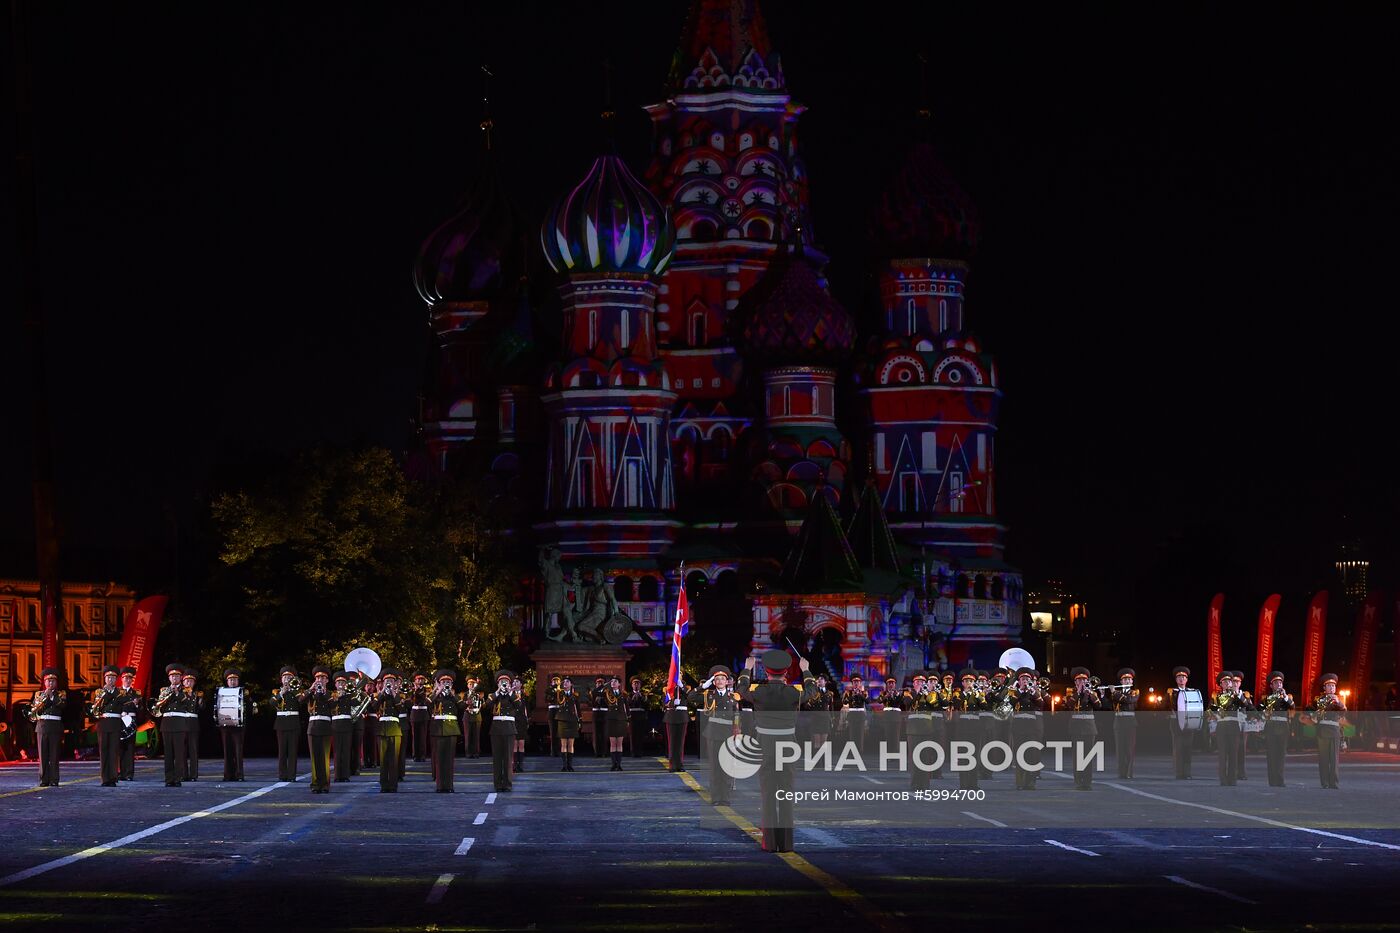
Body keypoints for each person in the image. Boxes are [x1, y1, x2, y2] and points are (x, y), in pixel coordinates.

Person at [737, 649, 819, 853]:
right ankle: (786, 844)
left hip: (765, 745)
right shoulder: (793, 693)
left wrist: (747, 669)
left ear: (766, 672)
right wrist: (806, 670)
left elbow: (741, 688)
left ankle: (770, 843)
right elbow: (812, 691)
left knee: (768, 795)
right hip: (787, 746)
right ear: (786, 673)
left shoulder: (760, 692)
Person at [703, 666, 740, 804]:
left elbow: (736, 716)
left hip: (727, 733)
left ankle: (725, 798)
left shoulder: (733, 697)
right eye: (717, 679)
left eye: (722, 679)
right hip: (713, 733)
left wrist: (737, 731)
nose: (719, 681)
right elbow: (691, 697)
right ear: (713, 682)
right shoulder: (709, 695)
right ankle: (716, 798)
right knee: (715, 767)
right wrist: (704, 685)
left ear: (727, 682)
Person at [483, 670, 525, 792]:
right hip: (496, 729)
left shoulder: (513, 696)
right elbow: (487, 705)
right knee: (497, 758)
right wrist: (497, 692)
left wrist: (510, 692)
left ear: (510, 683)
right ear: (498, 684)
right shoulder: (493, 695)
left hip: (509, 728)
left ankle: (507, 784)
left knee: (508, 758)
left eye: (506, 681)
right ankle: (497, 784)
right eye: (502, 682)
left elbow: (519, 705)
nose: (504, 683)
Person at [217, 668, 256, 781]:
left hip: (238, 726)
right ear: (227, 681)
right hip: (225, 725)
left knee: (238, 751)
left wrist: (250, 702)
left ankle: (239, 775)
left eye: (235, 679)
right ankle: (228, 775)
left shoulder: (243, 692)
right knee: (227, 751)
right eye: (230, 680)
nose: (233, 682)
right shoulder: (222, 692)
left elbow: (250, 708)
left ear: (238, 681)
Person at [1009, 667, 1045, 790]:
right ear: (1019, 681)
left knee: (1032, 754)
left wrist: (1033, 691)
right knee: (1020, 754)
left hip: (1032, 727)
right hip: (1018, 726)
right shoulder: (1014, 691)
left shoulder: (1034, 691)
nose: (1025, 681)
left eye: (1027, 679)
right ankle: (1020, 782)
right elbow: (1010, 703)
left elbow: (1041, 704)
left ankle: (1030, 782)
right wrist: (1020, 690)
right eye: (1023, 679)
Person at [371, 669, 407, 792]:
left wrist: (393, 693)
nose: (389, 683)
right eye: (387, 681)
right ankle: (384, 785)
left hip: (395, 729)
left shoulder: (400, 695)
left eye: (391, 681)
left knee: (393, 759)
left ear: (395, 683)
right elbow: (373, 707)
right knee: (383, 760)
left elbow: (401, 709)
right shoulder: (378, 696)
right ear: (383, 682)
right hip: (382, 728)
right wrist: (381, 694)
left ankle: (392, 785)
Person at [429, 669, 464, 793]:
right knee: (439, 759)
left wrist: (452, 695)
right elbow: (427, 704)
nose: (446, 684)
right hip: (438, 729)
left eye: (448, 682)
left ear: (452, 684)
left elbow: (462, 706)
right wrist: (437, 691)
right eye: (443, 682)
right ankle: (440, 786)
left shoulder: (454, 696)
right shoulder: (435, 695)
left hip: (451, 729)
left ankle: (449, 786)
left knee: (449, 760)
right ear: (439, 683)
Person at [1067, 667, 1102, 790]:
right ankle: (1078, 780)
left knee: (1088, 756)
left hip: (1089, 728)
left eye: (1084, 680)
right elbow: (1069, 704)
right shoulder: (1070, 692)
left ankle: (1087, 782)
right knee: (1078, 755)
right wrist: (1078, 692)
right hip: (1076, 728)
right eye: (1079, 680)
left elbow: (1098, 706)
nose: (1082, 682)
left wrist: (1089, 694)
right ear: (1075, 682)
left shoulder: (1092, 693)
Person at [90, 664, 124, 786]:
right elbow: (95, 708)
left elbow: (123, 703)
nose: (110, 680)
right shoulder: (99, 692)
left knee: (114, 751)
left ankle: (113, 778)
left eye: (113, 678)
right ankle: (105, 779)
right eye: (108, 678)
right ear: (105, 679)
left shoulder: (120, 692)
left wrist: (110, 693)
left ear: (116, 679)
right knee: (103, 751)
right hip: (103, 723)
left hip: (115, 723)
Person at [1310, 673, 1346, 789]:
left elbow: (1343, 713)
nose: (1332, 688)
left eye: (1333, 686)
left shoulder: (1339, 701)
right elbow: (1313, 715)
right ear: (1324, 688)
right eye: (1329, 686)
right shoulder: (1319, 700)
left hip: (1335, 730)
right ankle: (1324, 782)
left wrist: (1338, 703)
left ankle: (1334, 782)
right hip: (1323, 730)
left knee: (1334, 758)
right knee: (1324, 758)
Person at [32, 668, 66, 787]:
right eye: (48, 681)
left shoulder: (61, 694)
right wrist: (45, 697)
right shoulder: (39, 694)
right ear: (44, 682)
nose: (50, 683)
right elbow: (37, 709)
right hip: (42, 726)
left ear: (56, 682)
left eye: (53, 681)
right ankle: (44, 779)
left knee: (54, 755)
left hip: (55, 726)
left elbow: (62, 706)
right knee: (43, 755)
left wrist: (51, 697)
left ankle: (54, 779)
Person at [303, 665, 335, 793]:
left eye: (322, 678)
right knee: (314, 758)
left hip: (325, 726)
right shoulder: (311, 693)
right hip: (313, 727)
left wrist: (324, 693)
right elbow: (300, 700)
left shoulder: (331, 694)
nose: (320, 680)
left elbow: (333, 705)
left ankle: (325, 785)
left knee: (324, 758)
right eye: (317, 678)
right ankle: (316, 784)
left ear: (327, 680)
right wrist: (311, 689)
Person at [1209, 669, 1243, 786]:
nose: (1228, 683)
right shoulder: (1216, 697)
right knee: (1222, 754)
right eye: (1225, 682)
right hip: (1222, 725)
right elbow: (1209, 711)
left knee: (1233, 754)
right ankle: (1223, 779)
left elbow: (1247, 706)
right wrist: (1216, 713)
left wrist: (1238, 695)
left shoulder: (1236, 696)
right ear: (1221, 684)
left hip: (1234, 725)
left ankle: (1232, 779)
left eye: (1229, 681)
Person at [1261, 671, 1295, 787]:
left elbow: (1292, 706)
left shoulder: (1287, 697)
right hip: (1271, 726)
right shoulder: (1267, 698)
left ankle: (1280, 780)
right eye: (1276, 683)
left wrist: (1284, 696)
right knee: (1271, 754)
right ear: (1271, 685)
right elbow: (1261, 710)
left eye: (1280, 683)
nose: (1279, 685)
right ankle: (1272, 780)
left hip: (1283, 726)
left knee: (1281, 754)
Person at [270, 665, 303, 782]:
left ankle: (292, 776)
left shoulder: (297, 691)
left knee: (293, 751)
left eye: (289, 677)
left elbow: (301, 701)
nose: (287, 679)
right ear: (281, 679)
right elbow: (272, 703)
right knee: (282, 751)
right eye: (285, 677)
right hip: (281, 723)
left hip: (293, 723)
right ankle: (282, 775)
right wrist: (281, 694)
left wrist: (292, 690)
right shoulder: (276, 692)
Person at [905, 672, 937, 791]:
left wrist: (927, 693)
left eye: (923, 682)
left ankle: (925, 784)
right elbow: (907, 703)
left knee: (925, 758)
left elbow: (934, 705)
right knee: (914, 758)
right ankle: (915, 784)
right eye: (918, 682)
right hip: (913, 729)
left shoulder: (930, 694)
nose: (920, 683)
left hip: (926, 729)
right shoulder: (909, 693)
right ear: (913, 683)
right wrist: (917, 692)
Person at [953, 669, 983, 790]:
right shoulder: (958, 694)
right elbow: (955, 705)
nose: (969, 683)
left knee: (974, 755)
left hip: (975, 727)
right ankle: (964, 784)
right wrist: (965, 694)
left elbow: (985, 706)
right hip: (963, 727)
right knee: (963, 755)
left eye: (971, 681)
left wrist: (977, 695)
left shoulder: (979, 695)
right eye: (966, 681)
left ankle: (973, 783)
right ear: (963, 683)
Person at [1166, 666, 1195, 779]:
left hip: (1189, 723)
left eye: (1183, 677)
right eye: (1179, 677)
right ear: (1176, 679)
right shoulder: (1171, 692)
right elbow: (1164, 706)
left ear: (1186, 679)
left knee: (1188, 748)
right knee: (1178, 748)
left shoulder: (1192, 692)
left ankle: (1187, 773)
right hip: (1176, 723)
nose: (1181, 679)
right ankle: (1179, 773)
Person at [1110, 667, 1139, 779]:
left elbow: (1128, 700)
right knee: (1120, 748)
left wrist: (1114, 692)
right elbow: (1108, 705)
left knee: (1129, 748)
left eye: (1129, 679)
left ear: (1132, 681)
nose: (1127, 681)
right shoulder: (1116, 693)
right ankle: (1121, 772)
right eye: (1125, 679)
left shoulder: (1135, 692)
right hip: (1119, 722)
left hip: (1130, 722)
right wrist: (1102, 695)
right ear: (1121, 681)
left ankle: (1129, 773)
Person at [116, 666, 142, 781]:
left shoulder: (136, 693)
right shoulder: (117, 692)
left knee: (130, 748)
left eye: (129, 678)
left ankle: (129, 774)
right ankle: (120, 772)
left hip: (131, 721)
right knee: (120, 748)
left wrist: (136, 704)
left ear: (132, 680)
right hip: (120, 721)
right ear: (121, 679)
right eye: (125, 678)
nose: (127, 680)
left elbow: (141, 710)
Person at [553, 677, 584, 771]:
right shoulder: (559, 694)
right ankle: (564, 765)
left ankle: (570, 765)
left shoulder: (575, 696)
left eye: (568, 682)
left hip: (572, 720)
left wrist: (580, 720)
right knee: (563, 744)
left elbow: (578, 709)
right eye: (564, 682)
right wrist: (557, 688)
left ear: (571, 684)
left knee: (570, 744)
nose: (565, 683)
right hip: (562, 720)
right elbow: (556, 700)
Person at [663, 678, 692, 772]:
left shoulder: (686, 688)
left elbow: (689, 696)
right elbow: (664, 702)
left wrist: (681, 685)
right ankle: (672, 765)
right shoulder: (667, 688)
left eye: (680, 674)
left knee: (680, 743)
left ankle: (679, 764)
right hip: (671, 716)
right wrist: (672, 703)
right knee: (672, 742)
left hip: (682, 716)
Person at [331, 671, 356, 783]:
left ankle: (345, 775)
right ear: (335, 685)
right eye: (339, 682)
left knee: (346, 751)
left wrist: (348, 693)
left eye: (343, 682)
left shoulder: (349, 695)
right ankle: (337, 775)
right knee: (337, 751)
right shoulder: (332, 695)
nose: (341, 684)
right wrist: (338, 697)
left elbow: (356, 702)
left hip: (346, 724)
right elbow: (330, 706)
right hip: (336, 725)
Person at [181, 670, 205, 781]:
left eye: (191, 681)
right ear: (183, 682)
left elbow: (202, 708)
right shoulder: (179, 694)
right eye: (187, 681)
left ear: (194, 683)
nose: (189, 683)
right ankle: (183, 774)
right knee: (182, 750)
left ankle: (193, 775)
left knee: (193, 750)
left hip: (193, 724)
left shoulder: (198, 694)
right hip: (181, 723)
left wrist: (201, 702)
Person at [840, 675, 869, 755]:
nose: (856, 683)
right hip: (852, 714)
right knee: (852, 735)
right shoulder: (848, 692)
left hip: (860, 715)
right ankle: (853, 753)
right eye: (854, 682)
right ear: (852, 683)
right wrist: (852, 696)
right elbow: (844, 702)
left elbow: (867, 701)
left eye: (858, 682)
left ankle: (860, 752)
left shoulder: (864, 692)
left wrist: (860, 694)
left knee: (860, 735)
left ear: (860, 683)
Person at [409, 672, 431, 763]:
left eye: (422, 679)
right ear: (415, 681)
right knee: (415, 736)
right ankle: (415, 755)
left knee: (423, 736)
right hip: (415, 714)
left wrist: (419, 691)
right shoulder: (411, 690)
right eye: (418, 679)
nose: (420, 681)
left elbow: (428, 701)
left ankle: (422, 755)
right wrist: (414, 691)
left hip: (423, 714)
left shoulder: (427, 690)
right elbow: (410, 701)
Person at [462, 675, 484, 759]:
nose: (471, 685)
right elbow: (462, 704)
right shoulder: (464, 694)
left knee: (476, 736)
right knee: (467, 736)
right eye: (470, 684)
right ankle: (468, 753)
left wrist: (481, 698)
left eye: (473, 684)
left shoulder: (479, 694)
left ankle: (476, 753)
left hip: (477, 715)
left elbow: (483, 704)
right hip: (467, 716)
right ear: (467, 685)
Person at [626, 676, 649, 757]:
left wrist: (641, 697)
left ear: (640, 685)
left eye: (638, 683)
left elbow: (647, 706)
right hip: (632, 716)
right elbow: (628, 705)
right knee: (633, 735)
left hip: (641, 716)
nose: (636, 685)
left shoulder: (643, 694)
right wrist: (633, 698)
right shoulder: (629, 695)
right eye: (634, 683)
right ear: (632, 685)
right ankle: (633, 752)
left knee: (640, 734)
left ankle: (639, 752)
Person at [511, 677, 529, 773]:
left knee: (521, 743)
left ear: (521, 684)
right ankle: (514, 765)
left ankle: (520, 765)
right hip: (513, 720)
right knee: (514, 744)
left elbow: (527, 708)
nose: (515, 683)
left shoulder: (525, 695)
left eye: (517, 682)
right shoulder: (510, 694)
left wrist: (527, 720)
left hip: (522, 721)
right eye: (514, 681)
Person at [590, 677, 608, 758]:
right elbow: (590, 703)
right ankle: (596, 752)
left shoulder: (607, 692)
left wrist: (603, 698)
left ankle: (604, 752)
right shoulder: (593, 692)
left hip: (604, 713)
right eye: (598, 683)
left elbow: (610, 703)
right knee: (596, 734)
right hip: (596, 713)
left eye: (601, 683)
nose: (599, 684)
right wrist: (594, 700)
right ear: (596, 684)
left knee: (604, 734)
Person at [545, 674, 562, 758]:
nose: (555, 682)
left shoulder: (561, 690)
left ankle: (559, 751)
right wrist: (554, 693)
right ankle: (553, 751)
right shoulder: (548, 690)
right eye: (554, 681)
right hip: (552, 711)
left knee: (560, 732)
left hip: (559, 711)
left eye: (557, 681)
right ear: (551, 682)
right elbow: (547, 699)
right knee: (553, 732)